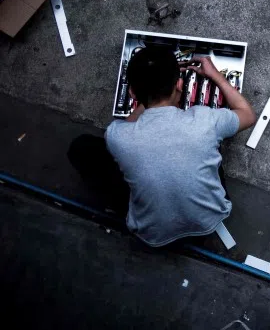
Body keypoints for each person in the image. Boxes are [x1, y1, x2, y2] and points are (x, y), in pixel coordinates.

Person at [71, 47, 256, 247]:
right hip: (210, 220)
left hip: (151, 234)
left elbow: (130, 122)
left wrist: (147, 95)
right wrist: (216, 76)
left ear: (132, 92)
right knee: (211, 143)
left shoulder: (117, 135)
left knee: (82, 147)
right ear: (179, 84)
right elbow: (247, 113)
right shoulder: (206, 120)